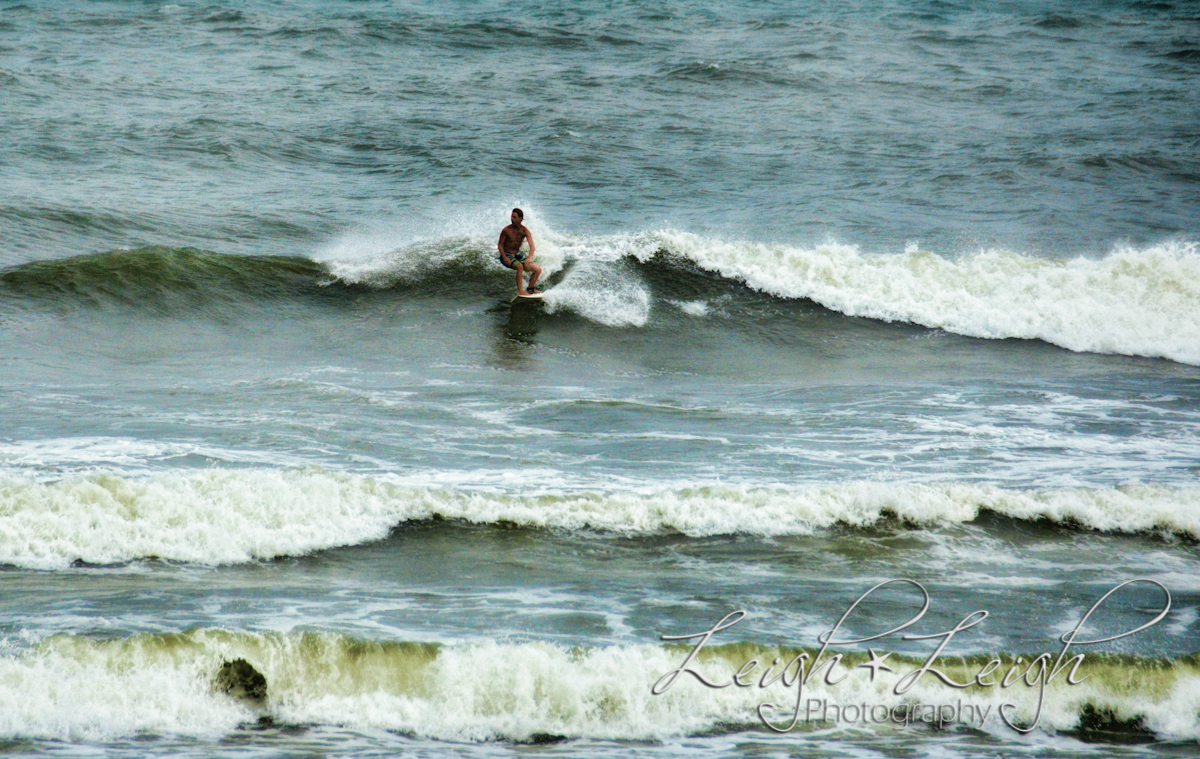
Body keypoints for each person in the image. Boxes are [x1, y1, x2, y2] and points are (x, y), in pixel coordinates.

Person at [498, 208, 542, 296]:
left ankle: (531, 289)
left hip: (517, 255)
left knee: (537, 269)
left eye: (514, 217)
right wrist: (505, 257)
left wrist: (529, 258)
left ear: (520, 219)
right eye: (511, 217)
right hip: (506, 255)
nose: (512, 219)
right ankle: (520, 291)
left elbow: (532, 246)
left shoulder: (524, 231)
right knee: (519, 267)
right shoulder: (506, 230)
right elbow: (500, 245)